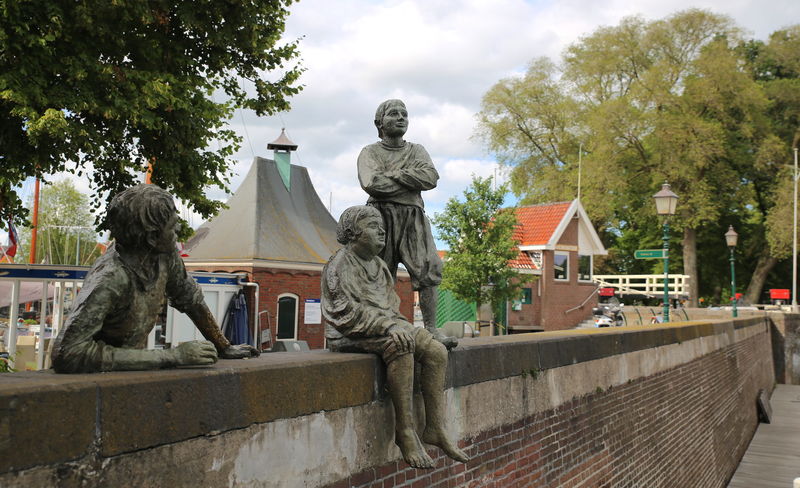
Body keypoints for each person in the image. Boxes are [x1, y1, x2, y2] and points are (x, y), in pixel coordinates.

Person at [52, 184, 259, 374]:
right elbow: (68, 353)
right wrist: (172, 356)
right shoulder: (111, 278)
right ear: (152, 237)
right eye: (172, 226)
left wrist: (224, 346)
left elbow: (190, 299)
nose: (178, 230)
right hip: (96, 381)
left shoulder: (164, 256)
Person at [322, 206, 469, 469]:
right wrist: (390, 327)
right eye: (372, 225)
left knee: (435, 350)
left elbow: (390, 307)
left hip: (382, 326)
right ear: (352, 232)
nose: (382, 230)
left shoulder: (379, 266)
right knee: (400, 345)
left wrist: (399, 325)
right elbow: (345, 311)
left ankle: (435, 426)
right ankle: (406, 431)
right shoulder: (339, 265)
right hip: (348, 333)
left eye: (382, 226)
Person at [357, 99, 455, 349]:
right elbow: (372, 183)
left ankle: (431, 329)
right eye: (393, 114)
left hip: (413, 217)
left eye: (404, 114)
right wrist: (410, 179)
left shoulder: (418, 150)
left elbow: (431, 178)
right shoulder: (370, 152)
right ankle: (383, 326)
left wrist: (394, 175)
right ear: (379, 122)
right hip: (381, 216)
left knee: (428, 269)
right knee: (380, 272)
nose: (401, 118)